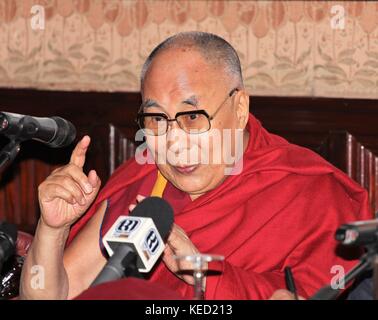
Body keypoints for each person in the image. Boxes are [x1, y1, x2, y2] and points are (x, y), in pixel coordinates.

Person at [20, 32, 372, 300]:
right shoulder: (146, 180)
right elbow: (52, 293)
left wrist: (207, 271)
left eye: (192, 116)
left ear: (239, 109)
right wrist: (53, 230)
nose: (173, 141)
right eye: (156, 118)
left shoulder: (312, 191)